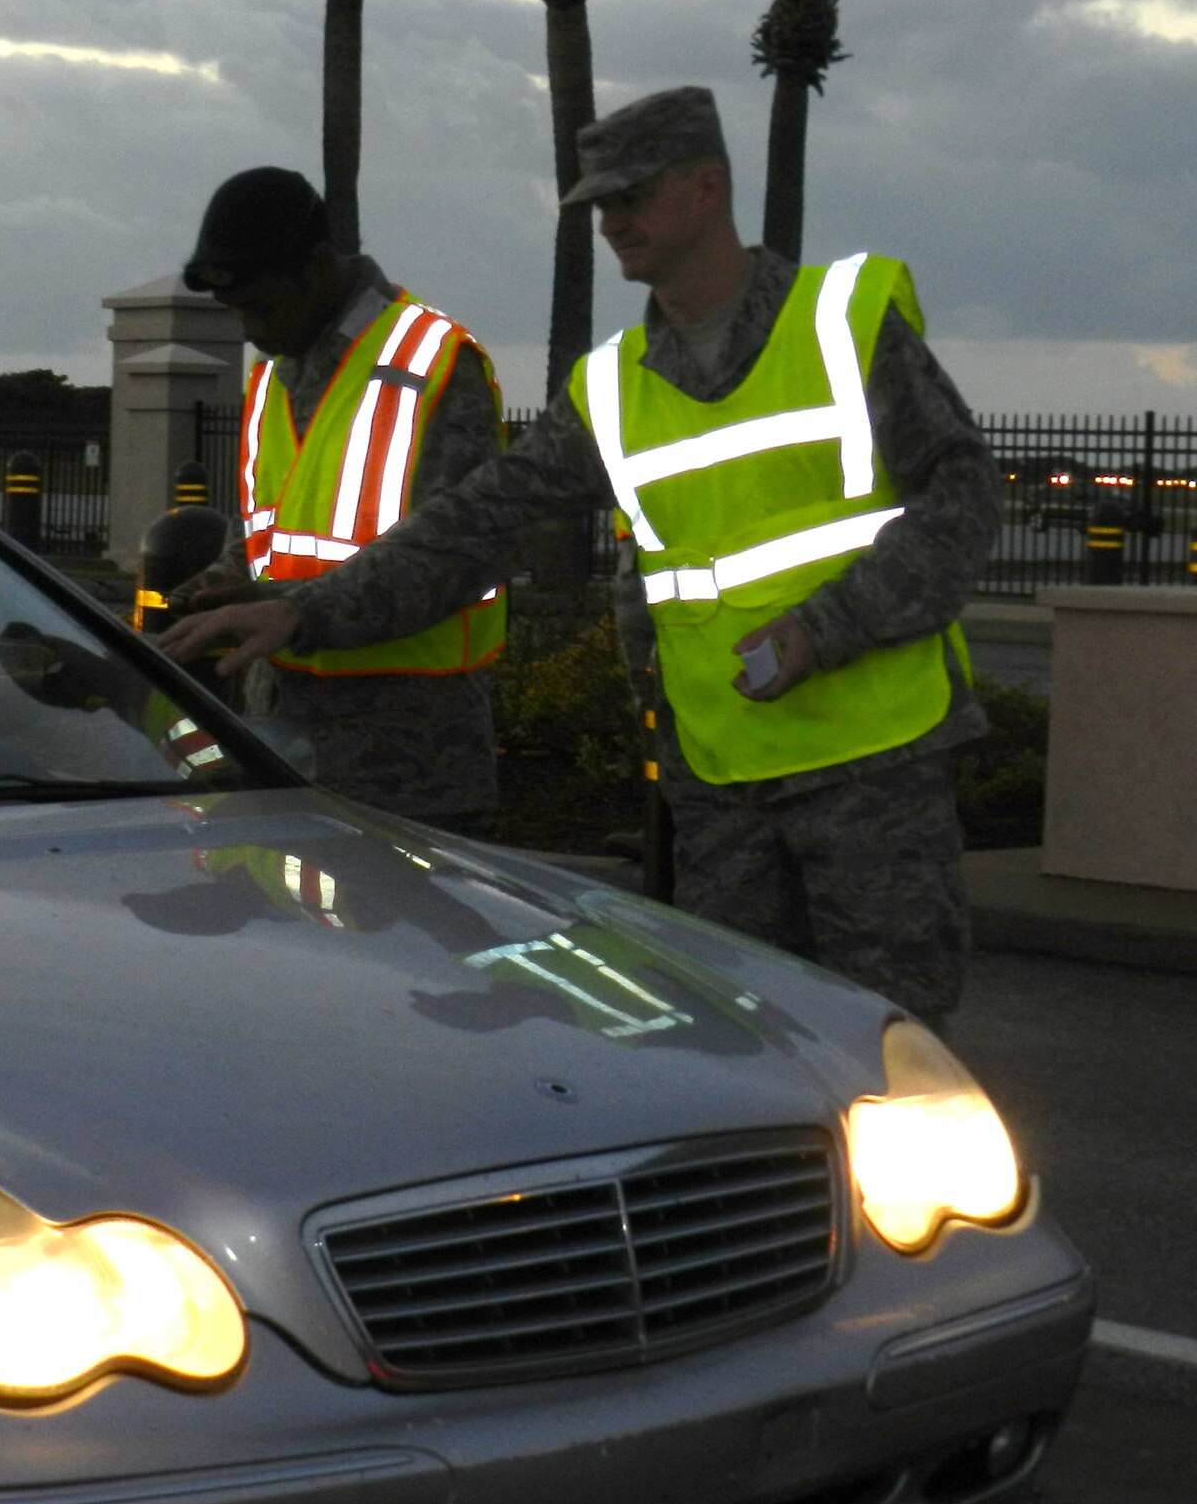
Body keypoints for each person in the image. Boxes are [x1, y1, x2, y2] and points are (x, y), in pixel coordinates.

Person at [163, 89, 1002, 1024]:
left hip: (872, 772)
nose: (613, 224)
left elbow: (965, 501)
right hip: (721, 789)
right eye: (600, 206)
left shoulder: (840, 324)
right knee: (749, 1051)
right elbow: (477, 518)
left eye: (632, 198)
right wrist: (301, 607)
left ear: (706, 188)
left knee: (899, 1047)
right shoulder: (613, 384)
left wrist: (827, 627)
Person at [172, 166, 509, 832]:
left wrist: (297, 613)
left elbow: (459, 556)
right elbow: (266, 537)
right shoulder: (273, 375)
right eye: (237, 312)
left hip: (413, 772)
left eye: (263, 307)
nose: (249, 331)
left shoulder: (431, 362)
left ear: (322, 266)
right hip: (285, 755)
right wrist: (224, 583)